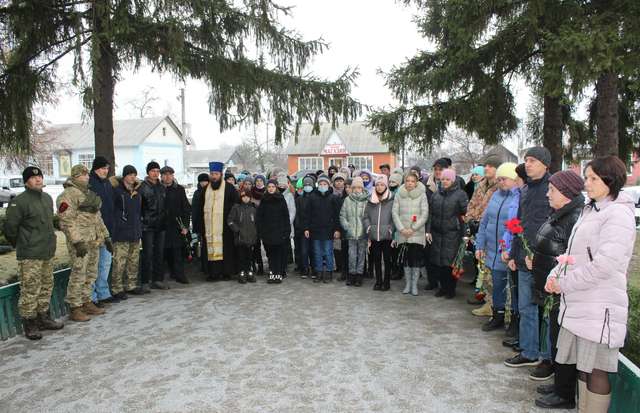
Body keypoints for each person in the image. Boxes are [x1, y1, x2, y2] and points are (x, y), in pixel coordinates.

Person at [545, 156, 636, 413]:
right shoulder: (591, 208)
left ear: (611, 180)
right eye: (587, 177)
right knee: (583, 370)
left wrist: (565, 283)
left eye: (593, 178)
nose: (587, 183)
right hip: (581, 304)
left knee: (596, 371)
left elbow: (605, 264)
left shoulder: (617, 213)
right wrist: (556, 273)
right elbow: (574, 254)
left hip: (600, 305)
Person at [529, 170, 584, 409]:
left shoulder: (574, 218)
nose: (547, 194)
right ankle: (559, 384)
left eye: (552, 190)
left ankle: (565, 393)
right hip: (551, 288)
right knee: (555, 338)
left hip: (563, 291)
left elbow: (571, 257)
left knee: (562, 342)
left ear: (566, 193)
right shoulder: (560, 213)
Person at [505, 147, 553, 375]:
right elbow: (519, 226)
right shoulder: (525, 191)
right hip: (524, 261)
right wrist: (515, 255)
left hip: (544, 263)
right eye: (526, 160)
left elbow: (556, 229)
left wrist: (542, 256)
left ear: (545, 164)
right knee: (526, 308)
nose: (528, 164)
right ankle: (529, 352)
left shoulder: (553, 190)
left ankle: (548, 358)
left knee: (547, 311)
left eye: (532, 160)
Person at [4, 166, 63, 339]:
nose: (38, 180)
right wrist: (22, 244)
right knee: (30, 289)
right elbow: (10, 228)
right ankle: (30, 323)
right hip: (30, 254)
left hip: (46, 251)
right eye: (33, 178)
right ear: (26, 181)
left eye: (40, 177)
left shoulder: (46, 198)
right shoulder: (19, 201)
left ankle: (43, 317)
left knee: (46, 286)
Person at [57, 164, 111, 322]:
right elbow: (66, 220)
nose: (87, 177)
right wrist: (76, 241)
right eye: (83, 174)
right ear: (75, 176)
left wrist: (106, 236)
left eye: (87, 174)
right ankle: (75, 307)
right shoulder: (67, 195)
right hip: (80, 242)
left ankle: (86, 301)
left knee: (91, 273)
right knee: (79, 273)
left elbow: (97, 218)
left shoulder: (89, 194)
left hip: (94, 240)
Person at [475, 163, 519, 331]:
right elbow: (485, 222)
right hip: (492, 250)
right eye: (499, 179)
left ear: (515, 179)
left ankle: (514, 320)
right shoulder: (495, 196)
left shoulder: (518, 198)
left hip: (508, 252)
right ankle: (497, 315)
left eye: (505, 179)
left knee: (513, 289)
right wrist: (480, 244)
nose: (501, 182)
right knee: (497, 286)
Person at [426, 168, 468, 298]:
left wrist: (465, 234)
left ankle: (451, 289)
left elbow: (464, 215)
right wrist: (428, 231)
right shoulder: (436, 195)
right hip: (437, 233)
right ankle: (442, 288)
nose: (445, 181)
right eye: (443, 179)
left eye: (447, 179)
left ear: (453, 180)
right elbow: (430, 214)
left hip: (452, 234)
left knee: (450, 263)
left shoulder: (460, 195)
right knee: (438, 262)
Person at [197, 162, 240, 281]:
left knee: (226, 249)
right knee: (211, 249)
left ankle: (227, 272)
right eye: (212, 174)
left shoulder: (230, 188)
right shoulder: (205, 189)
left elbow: (236, 206)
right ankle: (213, 273)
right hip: (209, 227)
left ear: (221, 174)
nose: (214, 176)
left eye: (216, 174)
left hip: (225, 227)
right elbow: (200, 208)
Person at [109, 165, 143, 300]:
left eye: (134, 174)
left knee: (133, 261)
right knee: (119, 262)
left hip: (135, 231)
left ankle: (131, 285)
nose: (132, 177)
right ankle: (117, 288)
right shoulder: (117, 191)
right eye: (129, 175)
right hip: (121, 232)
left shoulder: (137, 192)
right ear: (124, 176)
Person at [392, 173, 429, 296]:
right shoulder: (398, 194)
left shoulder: (422, 195)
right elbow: (395, 213)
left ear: (416, 182)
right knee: (406, 261)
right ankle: (407, 284)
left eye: (412, 181)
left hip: (416, 233)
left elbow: (425, 214)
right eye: (407, 181)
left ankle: (414, 285)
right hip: (403, 234)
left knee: (416, 260)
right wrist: (402, 229)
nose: (409, 183)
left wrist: (413, 228)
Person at [88, 156, 116, 305]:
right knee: (93, 264)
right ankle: (92, 296)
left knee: (105, 263)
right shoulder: (90, 184)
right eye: (102, 168)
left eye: (106, 168)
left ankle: (103, 292)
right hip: (94, 231)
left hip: (108, 229)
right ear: (95, 169)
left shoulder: (107, 183)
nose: (105, 171)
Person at [304, 175, 341, 283]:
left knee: (328, 252)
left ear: (329, 185)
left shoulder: (333, 198)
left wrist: (337, 229)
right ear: (317, 185)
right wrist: (306, 228)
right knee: (317, 252)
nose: (322, 186)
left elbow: (337, 216)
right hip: (315, 230)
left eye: (325, 184)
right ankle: (319, 272)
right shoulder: (312, 198)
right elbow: (307, 214)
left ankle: (329, 272)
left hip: (329, 231)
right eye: (320, 184)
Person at [363, 175, 395, 291]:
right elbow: (365, 216)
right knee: (376, 259)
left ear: (386, 186)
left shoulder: (392, 200)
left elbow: (394, 216)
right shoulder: (371, 200)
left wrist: (391, 228)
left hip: (387, 236)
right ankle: (378, 281)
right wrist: (368, 228)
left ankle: (386, 282)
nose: (380, 187)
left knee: (387, 260)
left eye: (382, 185)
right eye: (377, 185)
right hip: (374, 235)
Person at [139, 161, 167, 292]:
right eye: (153, 171)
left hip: (160, 225)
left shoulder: (161, 187)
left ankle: (158, 279)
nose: (155, 173)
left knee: (159, 253)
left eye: (157, 171)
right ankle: (145, 281)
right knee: (147, 253)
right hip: (148, 225)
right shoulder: (142, 187)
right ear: (148, 172)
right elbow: (140, 207)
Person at [161, 166, 191, 285]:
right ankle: (162, 275)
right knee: (164, 251)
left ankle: (179, 274)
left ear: (173, 176)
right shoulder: (158, 189)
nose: (167, 177)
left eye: (170, 174)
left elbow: (186, 209)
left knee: (177, 251)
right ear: (161, 176)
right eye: (165, 174)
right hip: (162, 225)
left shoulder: (179, 189)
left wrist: (185, 225)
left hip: (176, 225)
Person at [257, 179, 290, 283]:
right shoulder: (264, 199)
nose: (271, 189)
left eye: (273, 187)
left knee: (278, 253)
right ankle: (272, 273)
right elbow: (259, 216)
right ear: (267, 188)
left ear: (276, 188)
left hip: (279, 231)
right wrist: (261, 231)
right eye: (269, 187)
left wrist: (286, 231)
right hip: (267, 232)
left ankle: (279, 273)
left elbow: (286, 216)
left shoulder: (281, 199)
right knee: (270, 254)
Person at [339, 177, 369, 287]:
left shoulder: (367, 200)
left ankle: (359, 275)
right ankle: (351, 274)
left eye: (359, 187)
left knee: (361, 254)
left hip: (363, 233)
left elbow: (368, 216)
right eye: (354, 187)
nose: (357, 190)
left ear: (362, 188)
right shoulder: (347, 200)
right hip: (351, 233)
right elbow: (342, 215)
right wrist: (347, 227)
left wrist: (366, 228)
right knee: (351, 254)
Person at [228, 188, 258, 284]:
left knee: (249, 256)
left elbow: (257, 223)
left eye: (247, 197)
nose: (245, 198)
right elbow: (230, 220)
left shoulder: (253, 209)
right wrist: (237, 230)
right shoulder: (236, 208)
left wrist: (255, 234)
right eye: (243, 196)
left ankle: (249, 271)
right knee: (241, 256)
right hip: (240, 238)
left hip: (250, 238)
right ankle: (241, 272)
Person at [294, 176, 314, 278]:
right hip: (303, 229)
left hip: (314, 229)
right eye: (305, 185)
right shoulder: (299, 199)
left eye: (309, 185)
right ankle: (304, 268)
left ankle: (314, 268)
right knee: (304, 250)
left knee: (313, 250)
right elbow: (297, 215)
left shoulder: (315, 198)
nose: (307, 187)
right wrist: (300, 227)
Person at [191, 173, 210, 274]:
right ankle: (204, 266)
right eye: (202, 181)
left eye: (205, 181)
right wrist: (196, 226)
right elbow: (194, 211)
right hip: (201, 224)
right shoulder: (197, 193)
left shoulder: (211, 192)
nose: (204, 183)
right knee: (203, 246)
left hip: (210, 223)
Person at [252, 174, 266, 275]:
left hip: (265, 223)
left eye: (261, 181)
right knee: (256, 246)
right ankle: (258, 265)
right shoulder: (251, 193)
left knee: (267, 245)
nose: (259, 182)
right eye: (257, 181)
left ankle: (271, 266)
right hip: (254, 223)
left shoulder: (267, 192)